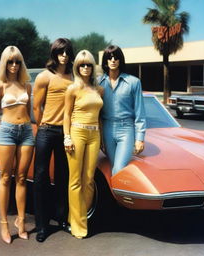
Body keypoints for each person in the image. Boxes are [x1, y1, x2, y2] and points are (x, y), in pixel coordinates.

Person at [0, 46, 34, 244]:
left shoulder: (26, 85)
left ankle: (21, 221)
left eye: (17, 61)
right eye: (10, 62)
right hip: (6, 132)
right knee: (6, 177)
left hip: (26, 131)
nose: (14, 65)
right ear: (4, 63)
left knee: (23, 177)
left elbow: (30, 112)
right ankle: (3, 224)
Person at [33, 38, 75, 242]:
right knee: (40, 177)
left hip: (66, 133)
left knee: (63, 176)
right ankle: (41, 225)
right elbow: (36, 106)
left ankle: (62, 219)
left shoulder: (74, 77)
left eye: (67, 52)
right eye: (60, 52)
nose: (64, 56)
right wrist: (43, 126)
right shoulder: (44, 76)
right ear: (54, 54)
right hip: (46, 131)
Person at [63, 50, 103, 239]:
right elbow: (66, 115)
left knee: (89, 180)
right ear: (77, 67)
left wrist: (102, 138)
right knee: (75, 180)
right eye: (82, 65)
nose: (85, 68)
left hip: (94, 134)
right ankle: (79, 225)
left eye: (88, 64)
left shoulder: (98, 90)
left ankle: (76, 217)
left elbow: (101, 117)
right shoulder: (73, 89)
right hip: (77, 132)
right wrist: (67, 137)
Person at [99, 45, 146, 176]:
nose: (113, 60)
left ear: (121, 60)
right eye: (109, 58)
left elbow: (140, 112)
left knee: (118, 169)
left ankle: (114, 196)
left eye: (116, 57)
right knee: (114, 167)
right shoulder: (98, 83)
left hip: (126, 130)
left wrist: (140, 139)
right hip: (107, 129)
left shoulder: (134, 82)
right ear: (105, 61)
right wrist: (100, 137)